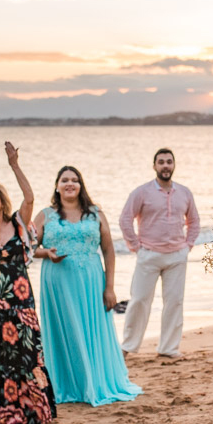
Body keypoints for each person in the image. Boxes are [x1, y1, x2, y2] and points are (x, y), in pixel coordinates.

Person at [33, 166, 141, 406]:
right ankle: (69, 384)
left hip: (92, 281)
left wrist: (110, 287)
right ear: (57, 186)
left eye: (75, 180)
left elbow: (109, 250)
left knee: (91, 330)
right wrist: (45, 253)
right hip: (57, 282)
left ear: (81, 185)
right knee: (66, 332)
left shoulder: (95, 213)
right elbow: (27, 247)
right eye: (65, 180)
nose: (70, 184)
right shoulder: (45, 215)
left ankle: (93, 382)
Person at [0, 142, 56, 424]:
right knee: (2, 356)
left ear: (2, 200)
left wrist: (14, 165)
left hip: (20, 301)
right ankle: (7, 413)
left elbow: (29, 197)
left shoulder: (19, 224)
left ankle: (35, 410)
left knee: (26, 353)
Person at [119, 148, 200, 358]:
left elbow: (194, 221)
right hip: (148, 255)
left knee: (174, 302)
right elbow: (125, 219)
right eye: (161, 162)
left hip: (177, 256)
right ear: (154, 166)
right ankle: (128, 346)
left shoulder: (184, 192)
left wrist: (188, 245)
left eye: (169, 162)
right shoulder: (141, 192)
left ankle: (168, 348)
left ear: (174, 165)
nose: (165, 165)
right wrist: (136, 247)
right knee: (139, 300)